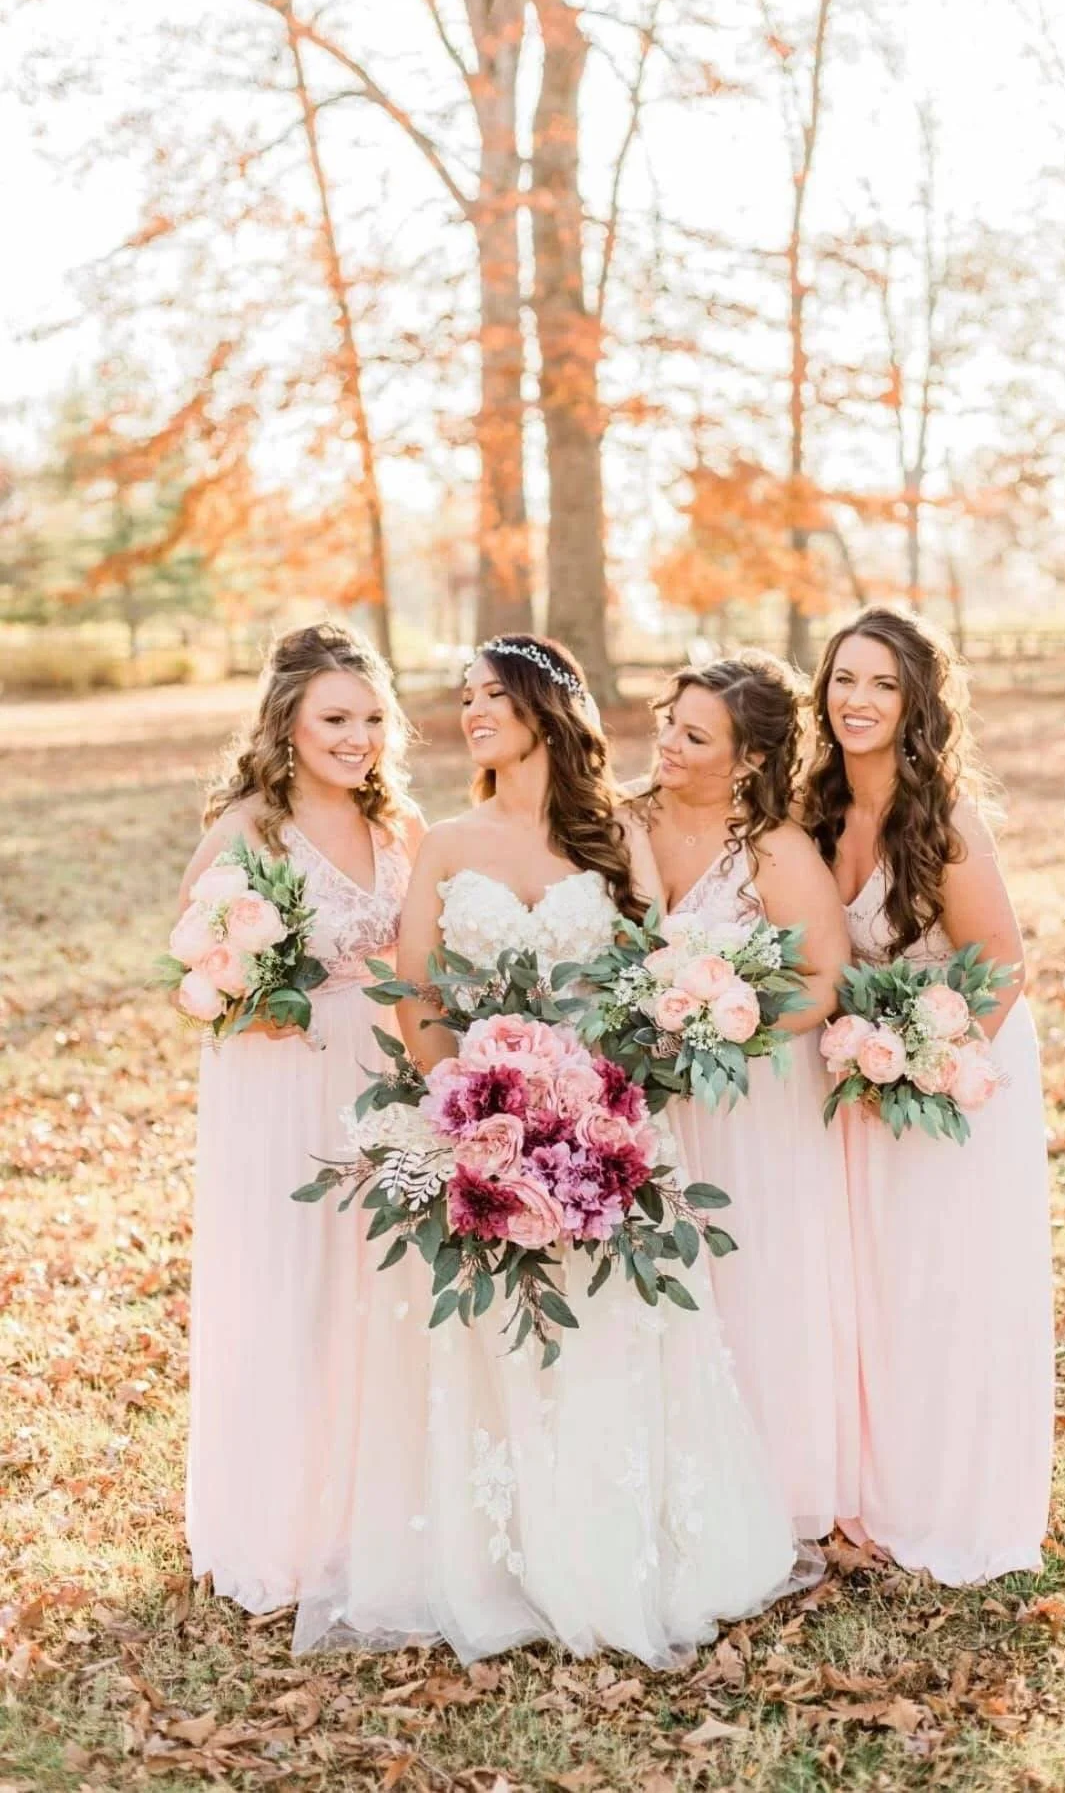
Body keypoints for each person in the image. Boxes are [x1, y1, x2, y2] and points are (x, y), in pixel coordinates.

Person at [291, 635, 818, 1666]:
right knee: (491, 1345)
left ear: (545, 707)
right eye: (466, 697)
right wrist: (469, 1112)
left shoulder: (617, 834)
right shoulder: (447, 842)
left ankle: (611, 1548)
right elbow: (420, 993)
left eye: (493, 695)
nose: (472, 712)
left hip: (602, 1126)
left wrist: (591, 1107)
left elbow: (649, 978)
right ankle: (495, 1560)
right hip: (481, 1124)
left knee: (609, 1339)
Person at [803, 606, 1054, 1583]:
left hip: (956, 1075)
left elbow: (1002, 962)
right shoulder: (818, 811)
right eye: (843, 679)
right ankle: (874, 1490)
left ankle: (956, 1503)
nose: (857, 700)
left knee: (944, 1283)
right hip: (859, 1075)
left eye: (882, 684)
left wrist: (925, 1065)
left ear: (916, 704)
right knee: (874, 1288)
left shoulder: (943, 819)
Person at [178, 621, 423, 1612]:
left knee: (380, 1282)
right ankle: (280, 1521)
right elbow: (196, 960)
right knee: (295, 1282)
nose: (358, 738)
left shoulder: (400, 825)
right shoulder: (249, 828)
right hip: (283, 1081)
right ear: (287, 723)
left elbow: (421, 950)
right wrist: (258, 992)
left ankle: (374, 1508)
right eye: (335, 719)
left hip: (385, 1066)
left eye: (372, 718)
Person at [638, 652, 858, 1539]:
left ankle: (768, 1483)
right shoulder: (622, 820)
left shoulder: (774, 851)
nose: (668, 745)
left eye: (695, 737)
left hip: (750, 1098)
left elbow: (825, 979)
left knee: (750, 1280)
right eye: (669, 724)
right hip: (647, 1091)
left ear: (750, 759)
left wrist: (727, 1024)